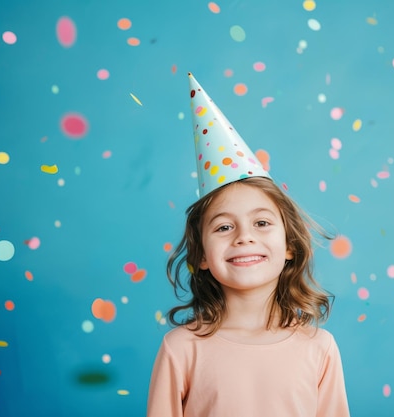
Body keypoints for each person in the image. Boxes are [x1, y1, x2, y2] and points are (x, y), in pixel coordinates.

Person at [146, 73, 350, 417]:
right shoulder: (181, 349)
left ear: (289, 246)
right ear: (202, 257)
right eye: (224, 226)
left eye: (262, 223)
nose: (244, 237)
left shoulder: (319, 347)